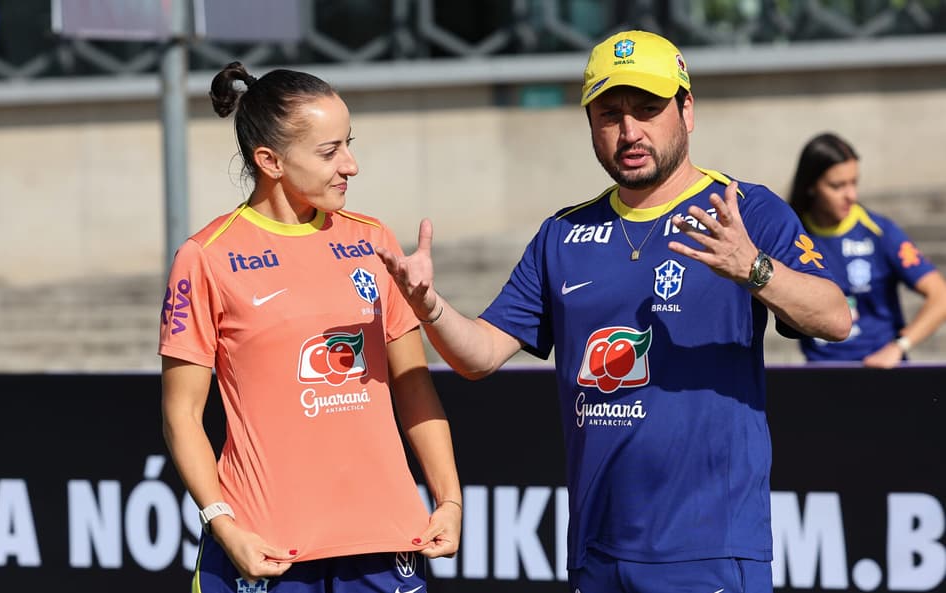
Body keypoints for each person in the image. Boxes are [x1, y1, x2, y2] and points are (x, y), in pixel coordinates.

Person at [377, 30, 851, 593]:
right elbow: (478, 356)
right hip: (596, 552)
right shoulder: (563, 232)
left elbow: (835, 318)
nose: (630, 131)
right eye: (610, 114)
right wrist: (428, 305)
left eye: (648, 110)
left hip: (711, 551)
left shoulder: (744, 209)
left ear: (687, 110)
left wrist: (753, 268)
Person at [159, 62, 461, 593]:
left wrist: (449, 499)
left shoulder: (374, 240)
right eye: (330, 152)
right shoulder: (205, 256)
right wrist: (225, 528)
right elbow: (181, 415)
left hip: (383, 543)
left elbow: (414, 383)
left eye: (349, 143)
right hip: (268, 550)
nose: (351, 165)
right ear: (270, 161)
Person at [788, 132, 946, 367]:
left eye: (854, 182)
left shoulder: (880, 232)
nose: (851, 195)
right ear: (811, 186)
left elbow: (940, 296)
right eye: (837, 186)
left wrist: (899, 346)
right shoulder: (791, 234)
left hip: (880, 372)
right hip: (821, 373)